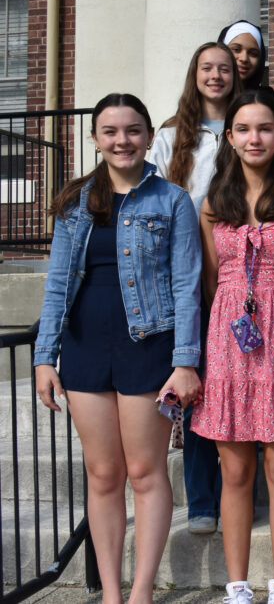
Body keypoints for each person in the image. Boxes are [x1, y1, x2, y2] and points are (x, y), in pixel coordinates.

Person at [34, 93, 203, 604]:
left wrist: (186, 361)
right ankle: (111, 592)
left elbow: (186, 284)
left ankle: (142, 592)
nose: (121, 140)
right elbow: (58, 282)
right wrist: (45, 355)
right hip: (85, 348)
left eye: (132, 130)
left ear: (149, 137)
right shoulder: (74, 201)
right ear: (95, 139)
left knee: (145, 471)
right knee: (103, 473)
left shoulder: (172, 200)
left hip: (149, 347)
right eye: (110, 131)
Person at [192, 88, 274, 604]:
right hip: (230, 342)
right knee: (236, 468)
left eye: (265, 128)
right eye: (244, 129)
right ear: (230, 137)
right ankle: (238, 586)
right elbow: (210, 280)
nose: (255, 138)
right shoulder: (212, 204)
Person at [150, 41, 240, 535]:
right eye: (207, 67)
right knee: (200, 387)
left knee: (242, 383)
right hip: (187, 271)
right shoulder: (170, 137)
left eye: (224, 68)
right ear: (195, 74)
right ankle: (203, 500)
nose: (216, 75)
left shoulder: (244, 125)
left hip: (237, 269)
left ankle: (244, 490)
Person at [218, 20, 269, 91]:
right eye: (236, 49)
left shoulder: (267, 100)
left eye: (253, 54)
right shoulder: (205, 97)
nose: (244, 59)